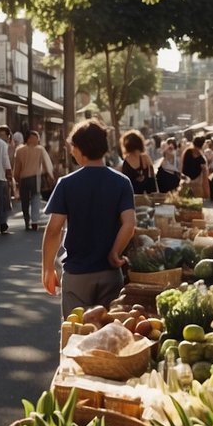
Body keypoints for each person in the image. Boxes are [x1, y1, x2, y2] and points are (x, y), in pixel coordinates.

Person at [41, 120, 136, 318]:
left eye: (73, 147)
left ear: (80, 149)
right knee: (110, 337)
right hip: (110, 273)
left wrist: (48, 268)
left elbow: (53, 229)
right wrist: (114, 252)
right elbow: (129, 224)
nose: (72, 151)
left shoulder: (66, 184)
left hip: (77, 275)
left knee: (76, 336)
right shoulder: (121, 182)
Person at [14, 131, 55, 231]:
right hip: (36, 178)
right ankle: (35, 221)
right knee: (35, 199)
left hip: (23, 178)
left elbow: (17, 167)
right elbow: (46, 164)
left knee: (25, 201)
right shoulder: (40, 150)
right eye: (36, 138)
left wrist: (16, 178)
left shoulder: (19, 150)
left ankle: (26, 221)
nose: (38, 140)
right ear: (29, 139)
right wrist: (50, 176)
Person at [118, 130, 156, 195]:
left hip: (132, 197)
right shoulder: (145, 158)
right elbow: (152, 177)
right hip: (147, 195)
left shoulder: (126, 161)